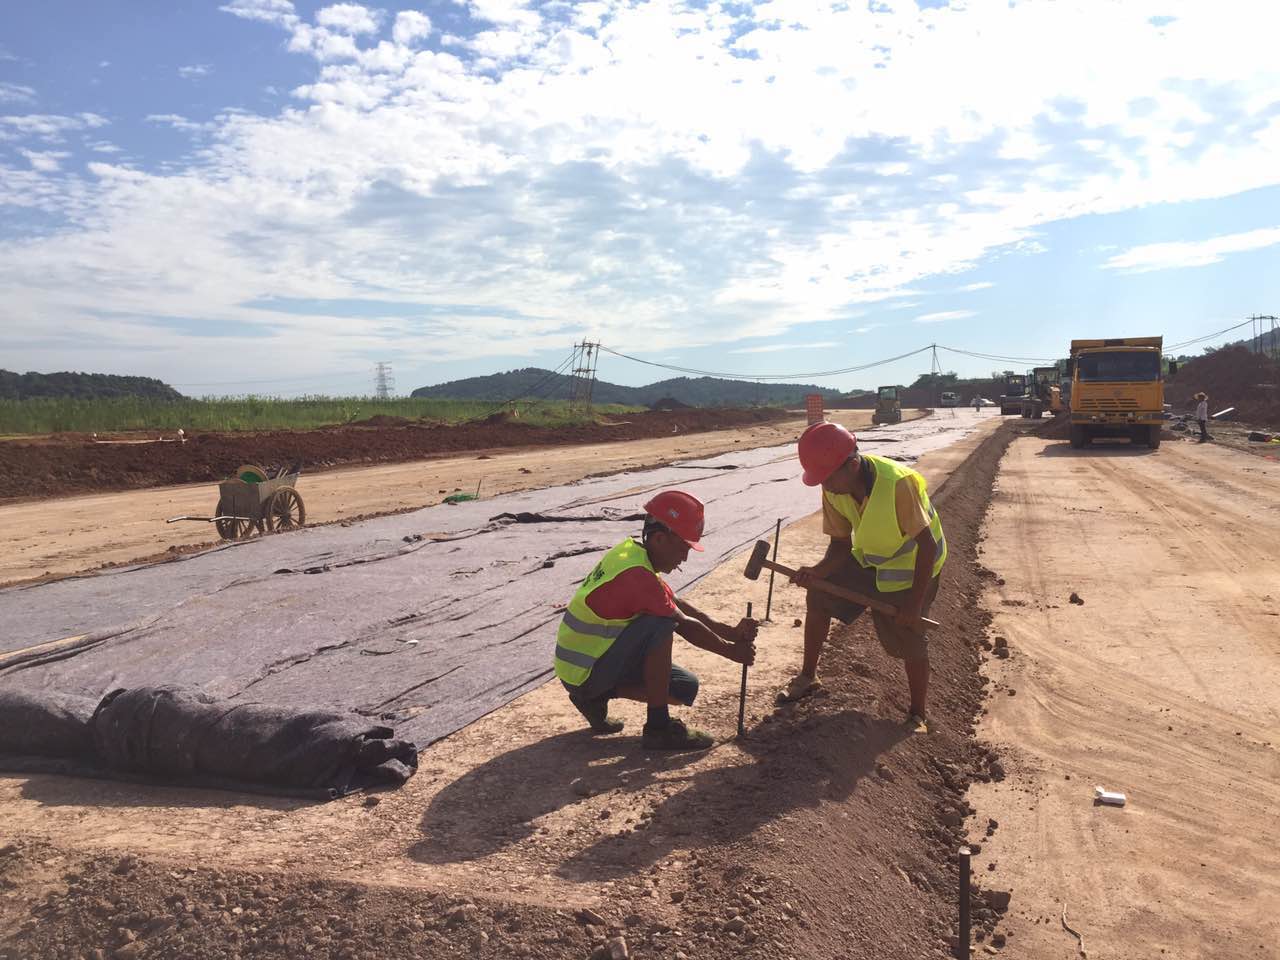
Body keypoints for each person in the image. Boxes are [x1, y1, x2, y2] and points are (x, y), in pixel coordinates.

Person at [553, 490, 757, 751]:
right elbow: (682, 623)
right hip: (582, 671)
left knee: (684, 688)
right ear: (660, 539)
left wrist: (730, 632)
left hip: (591, 662)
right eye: (684, 548)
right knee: (661, 625)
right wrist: (731, 652)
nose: (685, 558)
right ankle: (658, 729)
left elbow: (675, 602)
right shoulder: (636, 575)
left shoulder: (634, 554)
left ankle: (594, 698)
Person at [782, 422, 946, 733]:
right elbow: (841, 545)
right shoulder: (833, 488)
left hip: (916, 566)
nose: (826, 487)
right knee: (819, 595)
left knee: (910, 635)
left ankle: (917, 714)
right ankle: (808, 676)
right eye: (821, 480)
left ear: (852, 465)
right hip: (870, 559)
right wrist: (817, 572)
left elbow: (927, 546)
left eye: (829, 478)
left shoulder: (898, 484)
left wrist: (913, 604)